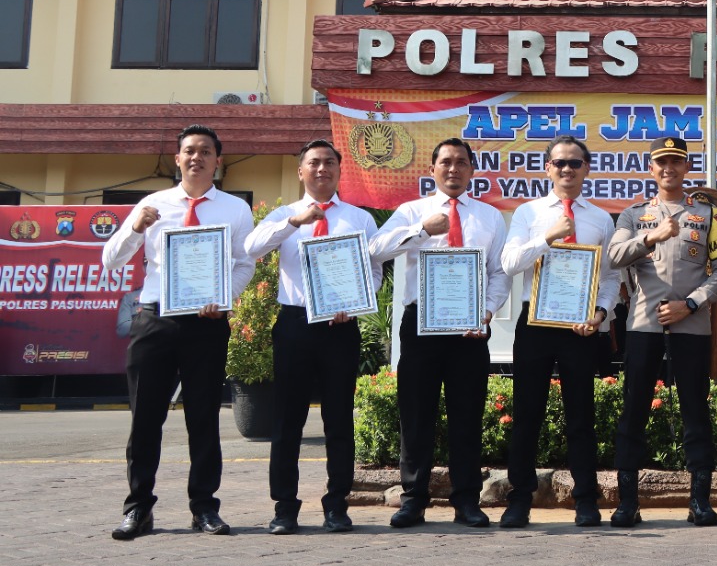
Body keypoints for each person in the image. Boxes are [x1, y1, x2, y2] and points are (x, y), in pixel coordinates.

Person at [102, 124, 255, 540]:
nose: (197, 157)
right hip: (155, 320)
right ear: (177, 158)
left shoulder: (234, 209)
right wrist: (136, 226)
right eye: (189, 150)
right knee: (146, 419)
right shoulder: (152, 204)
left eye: (206, 151)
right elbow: (111, 260)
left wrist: (225, 299)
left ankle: (204, 508)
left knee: (203, 418)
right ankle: (137, 509)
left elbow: (245, 264)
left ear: (217, 161)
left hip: (206, 324)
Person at [369, 138, 509, 529]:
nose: (453, 169)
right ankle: (413, 499)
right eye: (445, 162)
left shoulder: (489, 217)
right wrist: (420, 230)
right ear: (431, 170)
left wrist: (486, 312)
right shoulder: (411, 211)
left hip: (470, 327)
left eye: (461, 162)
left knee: (467, 416)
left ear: (471, 170)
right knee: (416, 415)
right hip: (421, 325)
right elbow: (376, 249)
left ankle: (466, 500)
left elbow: (499, 274)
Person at [245, 139, 380, 534]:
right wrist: (293, 222)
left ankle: (337, 504)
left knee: (339, 419)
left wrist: (355, 304)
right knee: (287, 421)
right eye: (314, 163)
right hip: (294, 324)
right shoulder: (284, 215)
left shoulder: (359, 218)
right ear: (301, 171)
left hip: (341, 327)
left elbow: (372, 272)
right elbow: (251, 248)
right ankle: (284, 507)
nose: (322, 169)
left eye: (329, 163)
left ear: (340, 171)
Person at [607, 136, 717, 528]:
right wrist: (651, 237)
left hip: (691, 325)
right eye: (661, 162)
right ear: (651, 168)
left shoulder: (706, 216)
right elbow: (613, 257)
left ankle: (699, 502)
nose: (669, 169)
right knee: (634, 411)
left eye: (676, 162)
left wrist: (692, 304)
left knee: (696, 411)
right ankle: (628, 503)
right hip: (644, 324)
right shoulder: (632, 215)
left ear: (685, 167)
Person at [499, 136, 620, 529]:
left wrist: (601, 312)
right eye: (559, 164)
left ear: (587, 169)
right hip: (534, 324)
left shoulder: (600, 218)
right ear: (547, 168)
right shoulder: (529, 213)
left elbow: (610, 276)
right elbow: (510, 263)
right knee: (527, 414)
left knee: (581, 417)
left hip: (579, 328)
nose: (567, 170)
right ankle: (519, 500)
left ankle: (586, 500)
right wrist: (547, 237)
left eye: (574, 163)